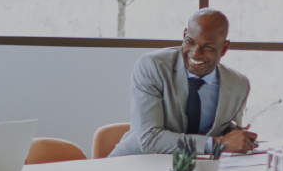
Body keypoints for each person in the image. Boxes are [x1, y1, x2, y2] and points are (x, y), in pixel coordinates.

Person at [108, 9, 257, 157]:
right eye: (190, 42)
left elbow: (226, 130)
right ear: (184, 35)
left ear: (224, 48)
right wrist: (217, 144)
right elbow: (150, 139)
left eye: (207, 47)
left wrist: (238, 137)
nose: (195, 53)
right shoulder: (152, 66)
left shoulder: (238, 85)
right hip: (135, 164)